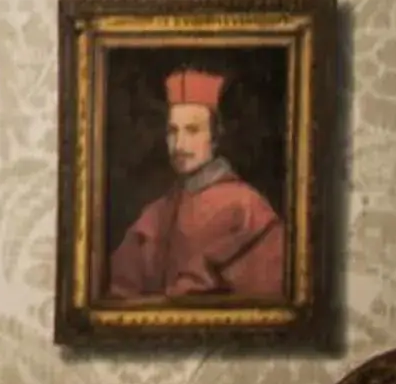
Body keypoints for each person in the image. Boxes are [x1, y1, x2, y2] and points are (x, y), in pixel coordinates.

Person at [106, 67, 287, 301]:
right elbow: (119, 290)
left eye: (192, 131)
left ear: (215, 137)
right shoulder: (156, 212)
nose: (179, 144)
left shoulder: (248, 208)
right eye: (172, 131)